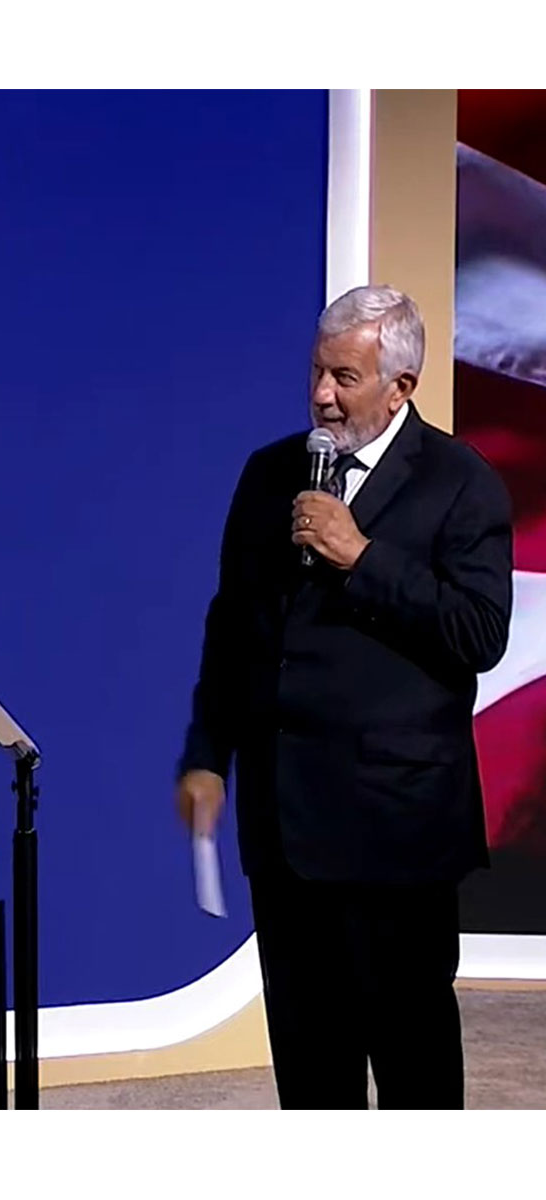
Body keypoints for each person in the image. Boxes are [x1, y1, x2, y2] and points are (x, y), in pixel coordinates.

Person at [176, 285, 514, 1109]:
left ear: (401, 387)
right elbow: (233, 630)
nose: (322, 394)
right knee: (311, 1067)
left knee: (412, 1069)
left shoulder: (460, 483)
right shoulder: (270, 475)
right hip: (285, 831)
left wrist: (361, 556)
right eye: (317, 373)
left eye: (345, 377)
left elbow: (479, 632)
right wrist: (205, 755)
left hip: (396, 832)